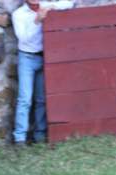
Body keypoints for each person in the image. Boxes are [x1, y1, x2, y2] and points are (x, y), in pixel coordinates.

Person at [11, 0, 75, 145]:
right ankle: (19, 138)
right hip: (27, 57)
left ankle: (39, 135)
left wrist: (53, 6)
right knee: (25, 99)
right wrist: (37, 20)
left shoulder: (45, 6)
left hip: (45, 56)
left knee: (41, 98)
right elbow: (24, 39)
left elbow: (70, 3)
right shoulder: (18, 14)